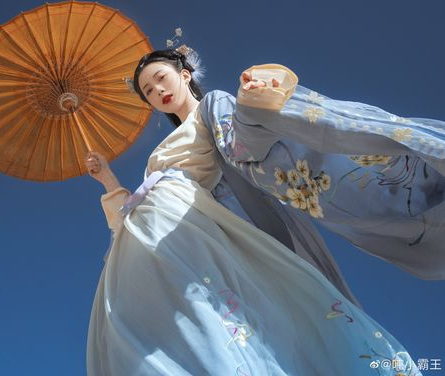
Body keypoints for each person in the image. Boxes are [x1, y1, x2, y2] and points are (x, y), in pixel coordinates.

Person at [84, 47, 437, 375]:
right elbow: (133, 211)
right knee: (184, 327)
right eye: (147, 90)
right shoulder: (159, 154)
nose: (157, 91)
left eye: (160, 78)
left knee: (257, 321)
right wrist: (107, 178)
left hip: (216, 226)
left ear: (185, 74)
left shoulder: (213, 108)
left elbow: (242, 147)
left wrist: (253, 106)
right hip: (172, 235)